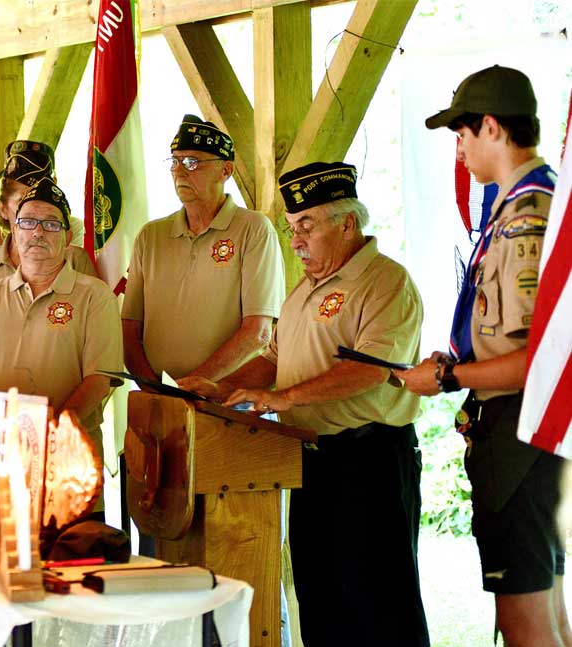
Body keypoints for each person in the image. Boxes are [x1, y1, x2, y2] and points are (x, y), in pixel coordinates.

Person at [191, 162, 429, 647]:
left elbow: (370, 369)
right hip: (309, 462)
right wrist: (217, 389)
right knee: (321, 599)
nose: (295, 241)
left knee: (379, 603)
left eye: (307, 226)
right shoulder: (304, 288)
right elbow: (275, 360)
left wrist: (281, 399)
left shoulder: (386, 282)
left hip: (370, 459)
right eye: (291, 227)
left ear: (347, 223)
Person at [397, 65, 570, 647]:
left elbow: (535, 361)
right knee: (549, 609)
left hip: (520, 432)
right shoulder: (523, 205)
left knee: (526, 622)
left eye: (463, 132)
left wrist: (447, 377)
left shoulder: (527, 217)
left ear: (492, 127)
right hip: (530, 437)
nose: (460, 146)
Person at [0, 177, 122, 448]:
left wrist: (50, 434)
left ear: (68, 238)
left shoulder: (96, 297)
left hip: (70, 455)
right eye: (28, 222)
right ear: (14, 232)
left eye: (51, 224)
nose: (38, 232)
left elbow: (98, 382)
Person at [121, 114, 284, 392]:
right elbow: (129, 328)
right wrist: (154, 388)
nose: (180, 172)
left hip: (228, 400)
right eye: (175, 162)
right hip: (158, 398)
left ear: (226, 171)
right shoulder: (151, 236)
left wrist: (191, 386)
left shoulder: (253, 229)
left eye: (192, 162)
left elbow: (258, 332)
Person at [0, 140, 99, 323]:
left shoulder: (76, 260)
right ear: (3, 208)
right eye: (22, 201)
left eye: (45, 203)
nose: (34, 212)